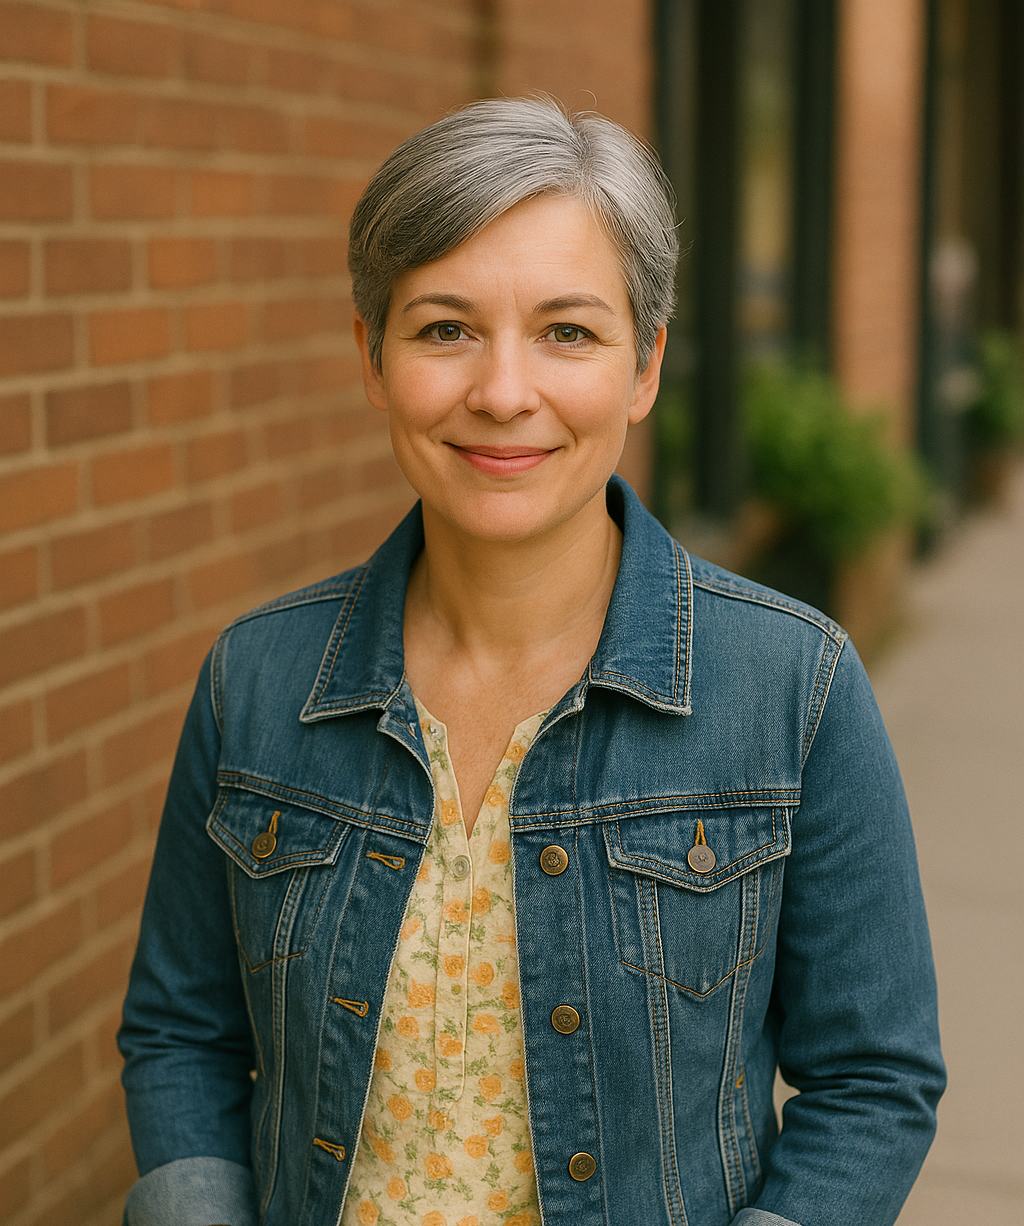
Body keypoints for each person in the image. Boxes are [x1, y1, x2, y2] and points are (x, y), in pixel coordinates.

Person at [118, 97, 945, 1226]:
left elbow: (874, 1080)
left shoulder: (792, 687)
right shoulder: (255, 681)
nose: (503, 392)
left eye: (568, 331)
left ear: (644, 366)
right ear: (372, 358)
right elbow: (183, 1034)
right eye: (445, 328)